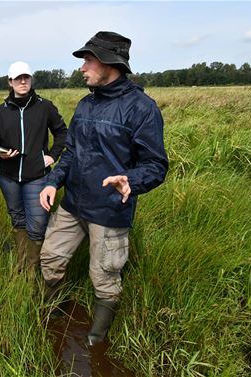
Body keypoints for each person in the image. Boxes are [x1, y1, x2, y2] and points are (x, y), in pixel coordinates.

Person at [39, 32, 168, 345]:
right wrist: (53, 182)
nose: (82, 67)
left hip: (109, 211)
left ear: (111, 61)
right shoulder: (85, 104)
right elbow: (70, 152)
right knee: (50, 259)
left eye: (88, 59)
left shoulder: (141, 108)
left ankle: (96, 340)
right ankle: (55, 313)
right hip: (73, 204)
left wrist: (131, 181)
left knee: (104, 276)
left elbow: (156, 165)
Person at [0, 61, 67, 272]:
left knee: (38, 225)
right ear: (10, 82)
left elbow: (62, 133)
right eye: (18, 78)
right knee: (18, 219)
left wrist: (52, 155)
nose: (23, 81)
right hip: (8, 177)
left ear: (31, 80)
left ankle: (33, 272)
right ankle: (22, 267)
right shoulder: (0, 112)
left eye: (26, 77)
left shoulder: (44, 106)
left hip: (37, 177)